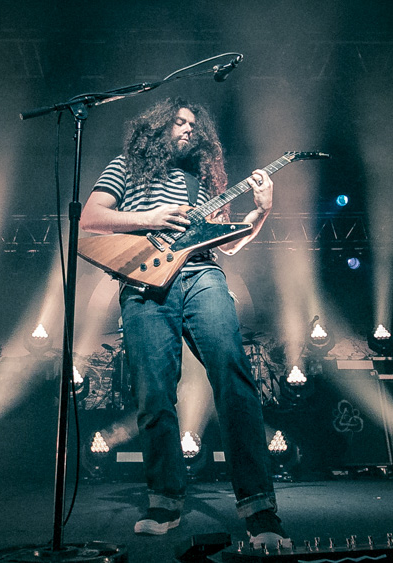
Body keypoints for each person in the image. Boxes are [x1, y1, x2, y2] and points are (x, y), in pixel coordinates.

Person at [79, 98, 290, 546]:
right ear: (156, 128)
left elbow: (227, 244)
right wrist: (149, 218)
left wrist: (262, 210)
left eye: (194, 124)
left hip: (201, 276)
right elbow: (91, 219)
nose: (187, 130)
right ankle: (165, 500)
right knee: (154, 390)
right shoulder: (125, 166)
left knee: (234, 378)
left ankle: (259, 507)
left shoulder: (204, 181)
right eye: (178, 122)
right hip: (145, 283)